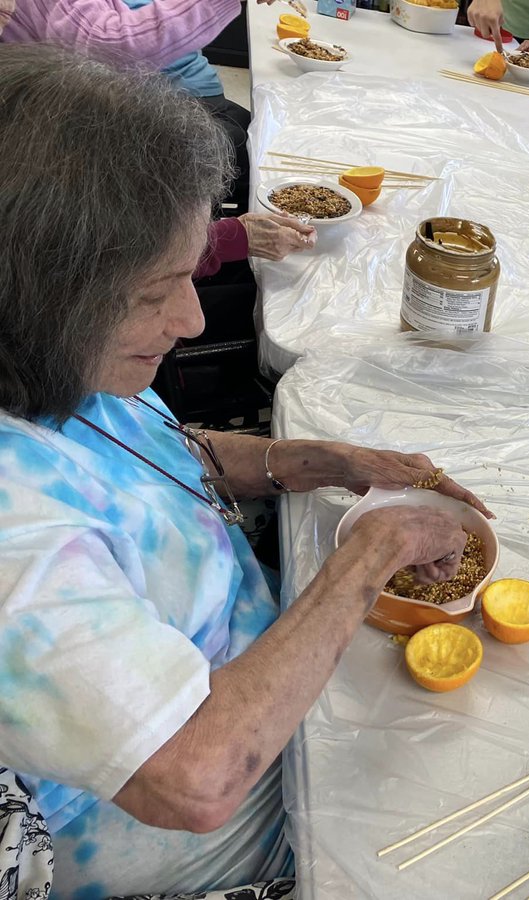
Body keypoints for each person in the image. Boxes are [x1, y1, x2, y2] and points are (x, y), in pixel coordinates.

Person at [0, 44, 492, 897]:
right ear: (43, 295)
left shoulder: (49, 360)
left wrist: (308, 460)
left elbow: (159, 460)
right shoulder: (14, 534)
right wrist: (370, 555)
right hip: (234, 830)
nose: (190, 318)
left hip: (266, 667)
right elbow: (195, 779)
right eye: (156, 291)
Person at [0, 0, 287, 211]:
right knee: (271, 164)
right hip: (133, 114)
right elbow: (111, 47)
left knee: (276, 140)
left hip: (174, 94)